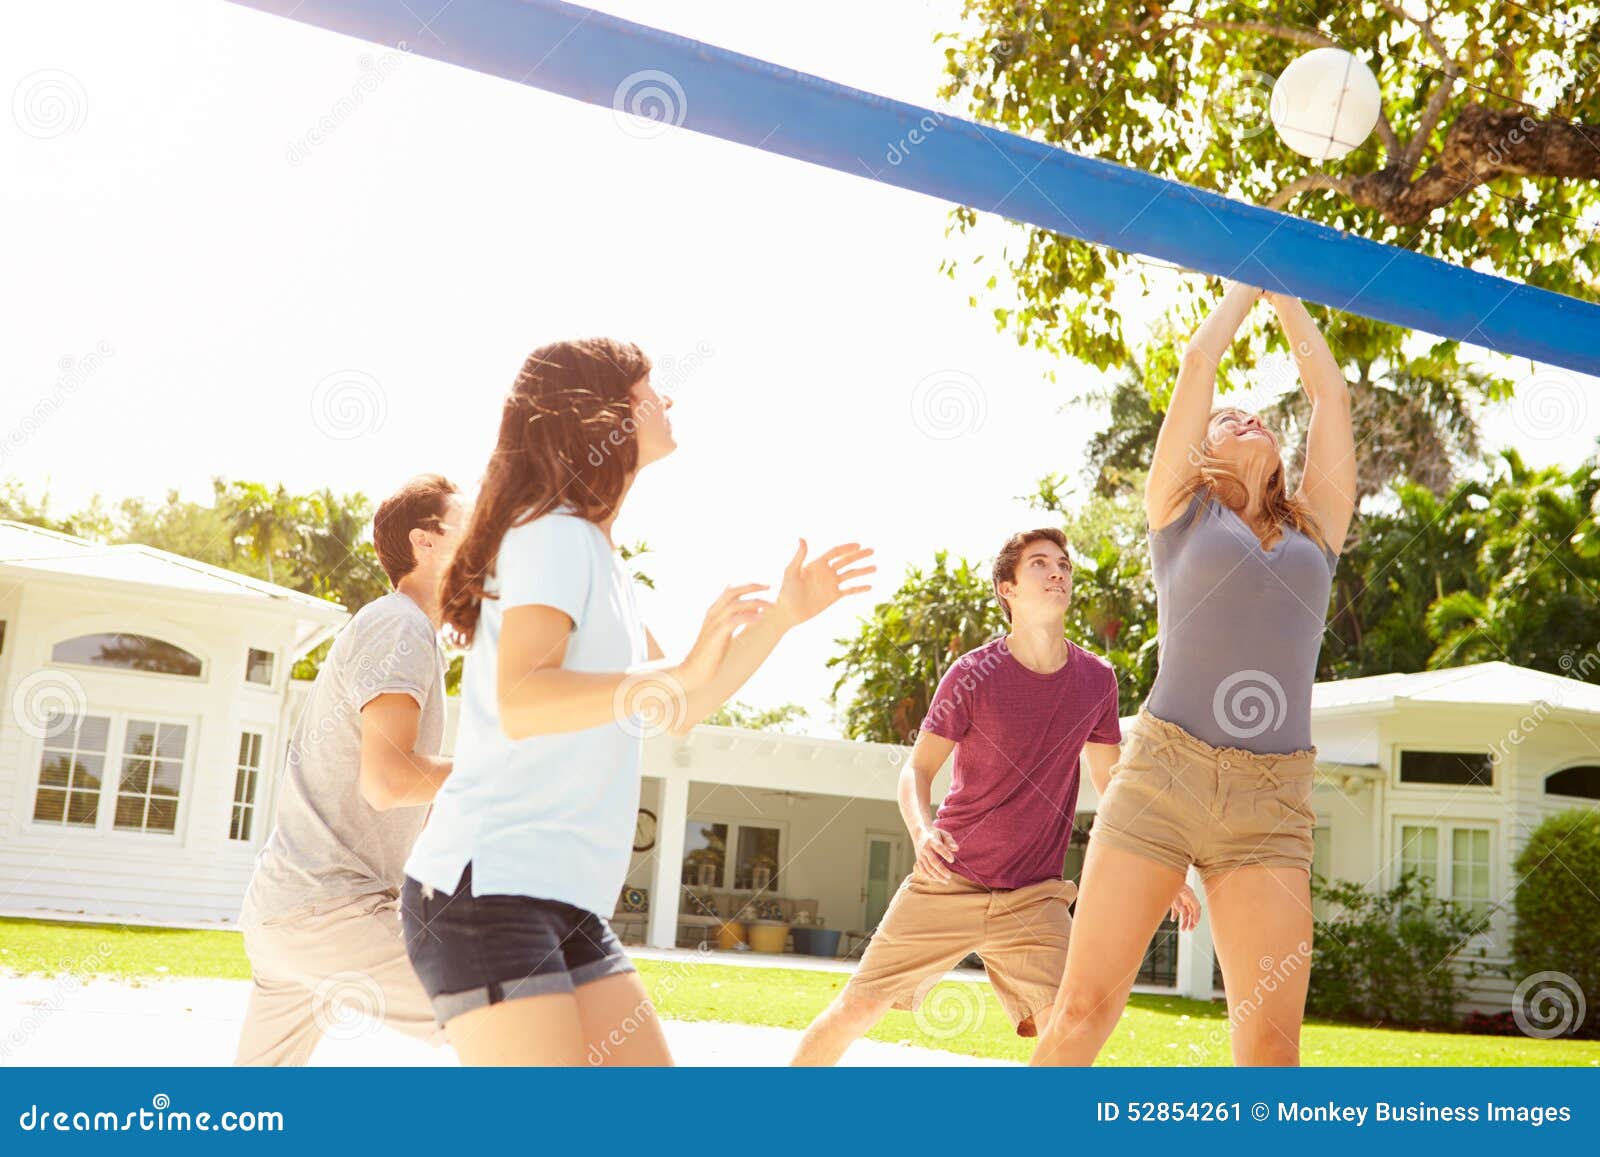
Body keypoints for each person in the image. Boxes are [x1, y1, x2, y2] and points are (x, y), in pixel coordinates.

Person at [400, 337, 874, 1066]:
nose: (667, 398)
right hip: (488, 890)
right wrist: (675, 672)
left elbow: (679, 706)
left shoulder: (599, 557)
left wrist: (782, 617)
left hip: (562, 898)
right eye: (650, 387)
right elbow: (524, 698)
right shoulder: (552, 535)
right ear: (602, 415)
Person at [1033, 283, 1356, 1067]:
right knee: (1080, 1013)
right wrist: (1247, 276)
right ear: (1200, 454)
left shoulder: (1317, 526)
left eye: (1258, 417)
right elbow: (1200, 358)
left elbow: (1329, 395)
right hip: (1162, 778)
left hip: (1271, 801)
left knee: (1271, 1048)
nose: (1249, 418)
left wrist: (1288, 292)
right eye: (1228, 418)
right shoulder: (1180, 511)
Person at [791, 528, 1199, 1066]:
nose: (1057, 572)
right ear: (1007, 588)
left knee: (1070, 1026)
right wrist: (922, 832)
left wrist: (1159, 869)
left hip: (1034, 897)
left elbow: (1112, 786)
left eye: (1063, 564)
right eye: (1039, 563)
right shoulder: (972, 674)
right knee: (858, 1008)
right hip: (949, 881)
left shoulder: (1096, 679)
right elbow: (918, 768)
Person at [235, 473, 467, 1066]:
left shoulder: (409, 630)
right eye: (471, 522)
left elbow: (403, 796)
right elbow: (388, 782)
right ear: (425, 541)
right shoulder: (398, 623)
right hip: (328, 910)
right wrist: (503, 775)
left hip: (290, 910)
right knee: (505, 1019)